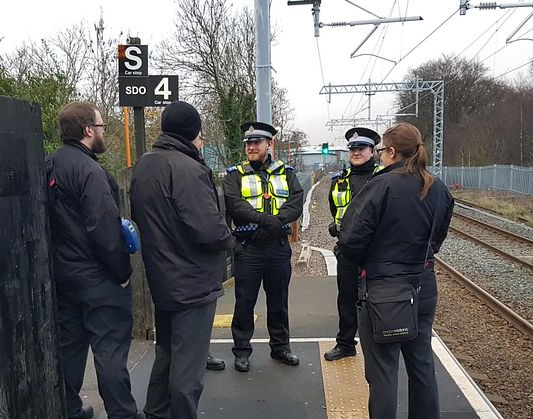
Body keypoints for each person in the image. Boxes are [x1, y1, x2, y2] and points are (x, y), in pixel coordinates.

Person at [338, 122, 454, 419]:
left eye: (380, 151)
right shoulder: (437, 187)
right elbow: (437, 238)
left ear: (390, 151)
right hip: (423, 286)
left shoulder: (381, 185)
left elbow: (352, 239)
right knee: (422, 365)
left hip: (384, 293)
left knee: (383, 372)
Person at [130, 101, 235, 419]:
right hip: (192, 282)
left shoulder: (145, 165)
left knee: (166, 353)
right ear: (191, 132)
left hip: (162, 278)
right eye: (201, 135)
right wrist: (230, 240)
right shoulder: (188, 169)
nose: (202, 141)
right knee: (188, 370)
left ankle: (156, 412)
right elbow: (208, 228)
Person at [46, 102, 140, 419]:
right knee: (110, 350)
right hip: (99, 279)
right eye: (100, 127)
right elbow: (104, 228)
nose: (102, 132)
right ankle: (123, 414)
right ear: (88, 131)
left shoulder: (49, 165)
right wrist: (122, 273)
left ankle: (70, 410)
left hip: (64, 278)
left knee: (69, 349)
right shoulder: (90, 171)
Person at [223, 121, 304, 372]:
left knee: (278, 301)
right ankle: (242, 351)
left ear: (270, 144)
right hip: (248, 248)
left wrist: (274, 223)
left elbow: (295, 202)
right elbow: (235, 205)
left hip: (277, 248)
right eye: (248, 143)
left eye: (256, 142)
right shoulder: (234, 175)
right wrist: (264, 221)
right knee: (244, 302)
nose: (251, 147)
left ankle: (281, 347)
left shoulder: (286, 173)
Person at [324, 127, 382, 362]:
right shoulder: (340, 180)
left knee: (377, 299)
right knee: (346, 298)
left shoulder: (383, 177)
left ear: (372, 151)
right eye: (353, 149)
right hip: (347, 252)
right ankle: (346, 343)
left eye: (361, 148)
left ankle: (379, 343)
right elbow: (334, 208)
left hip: (376, 252)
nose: (356, 152)